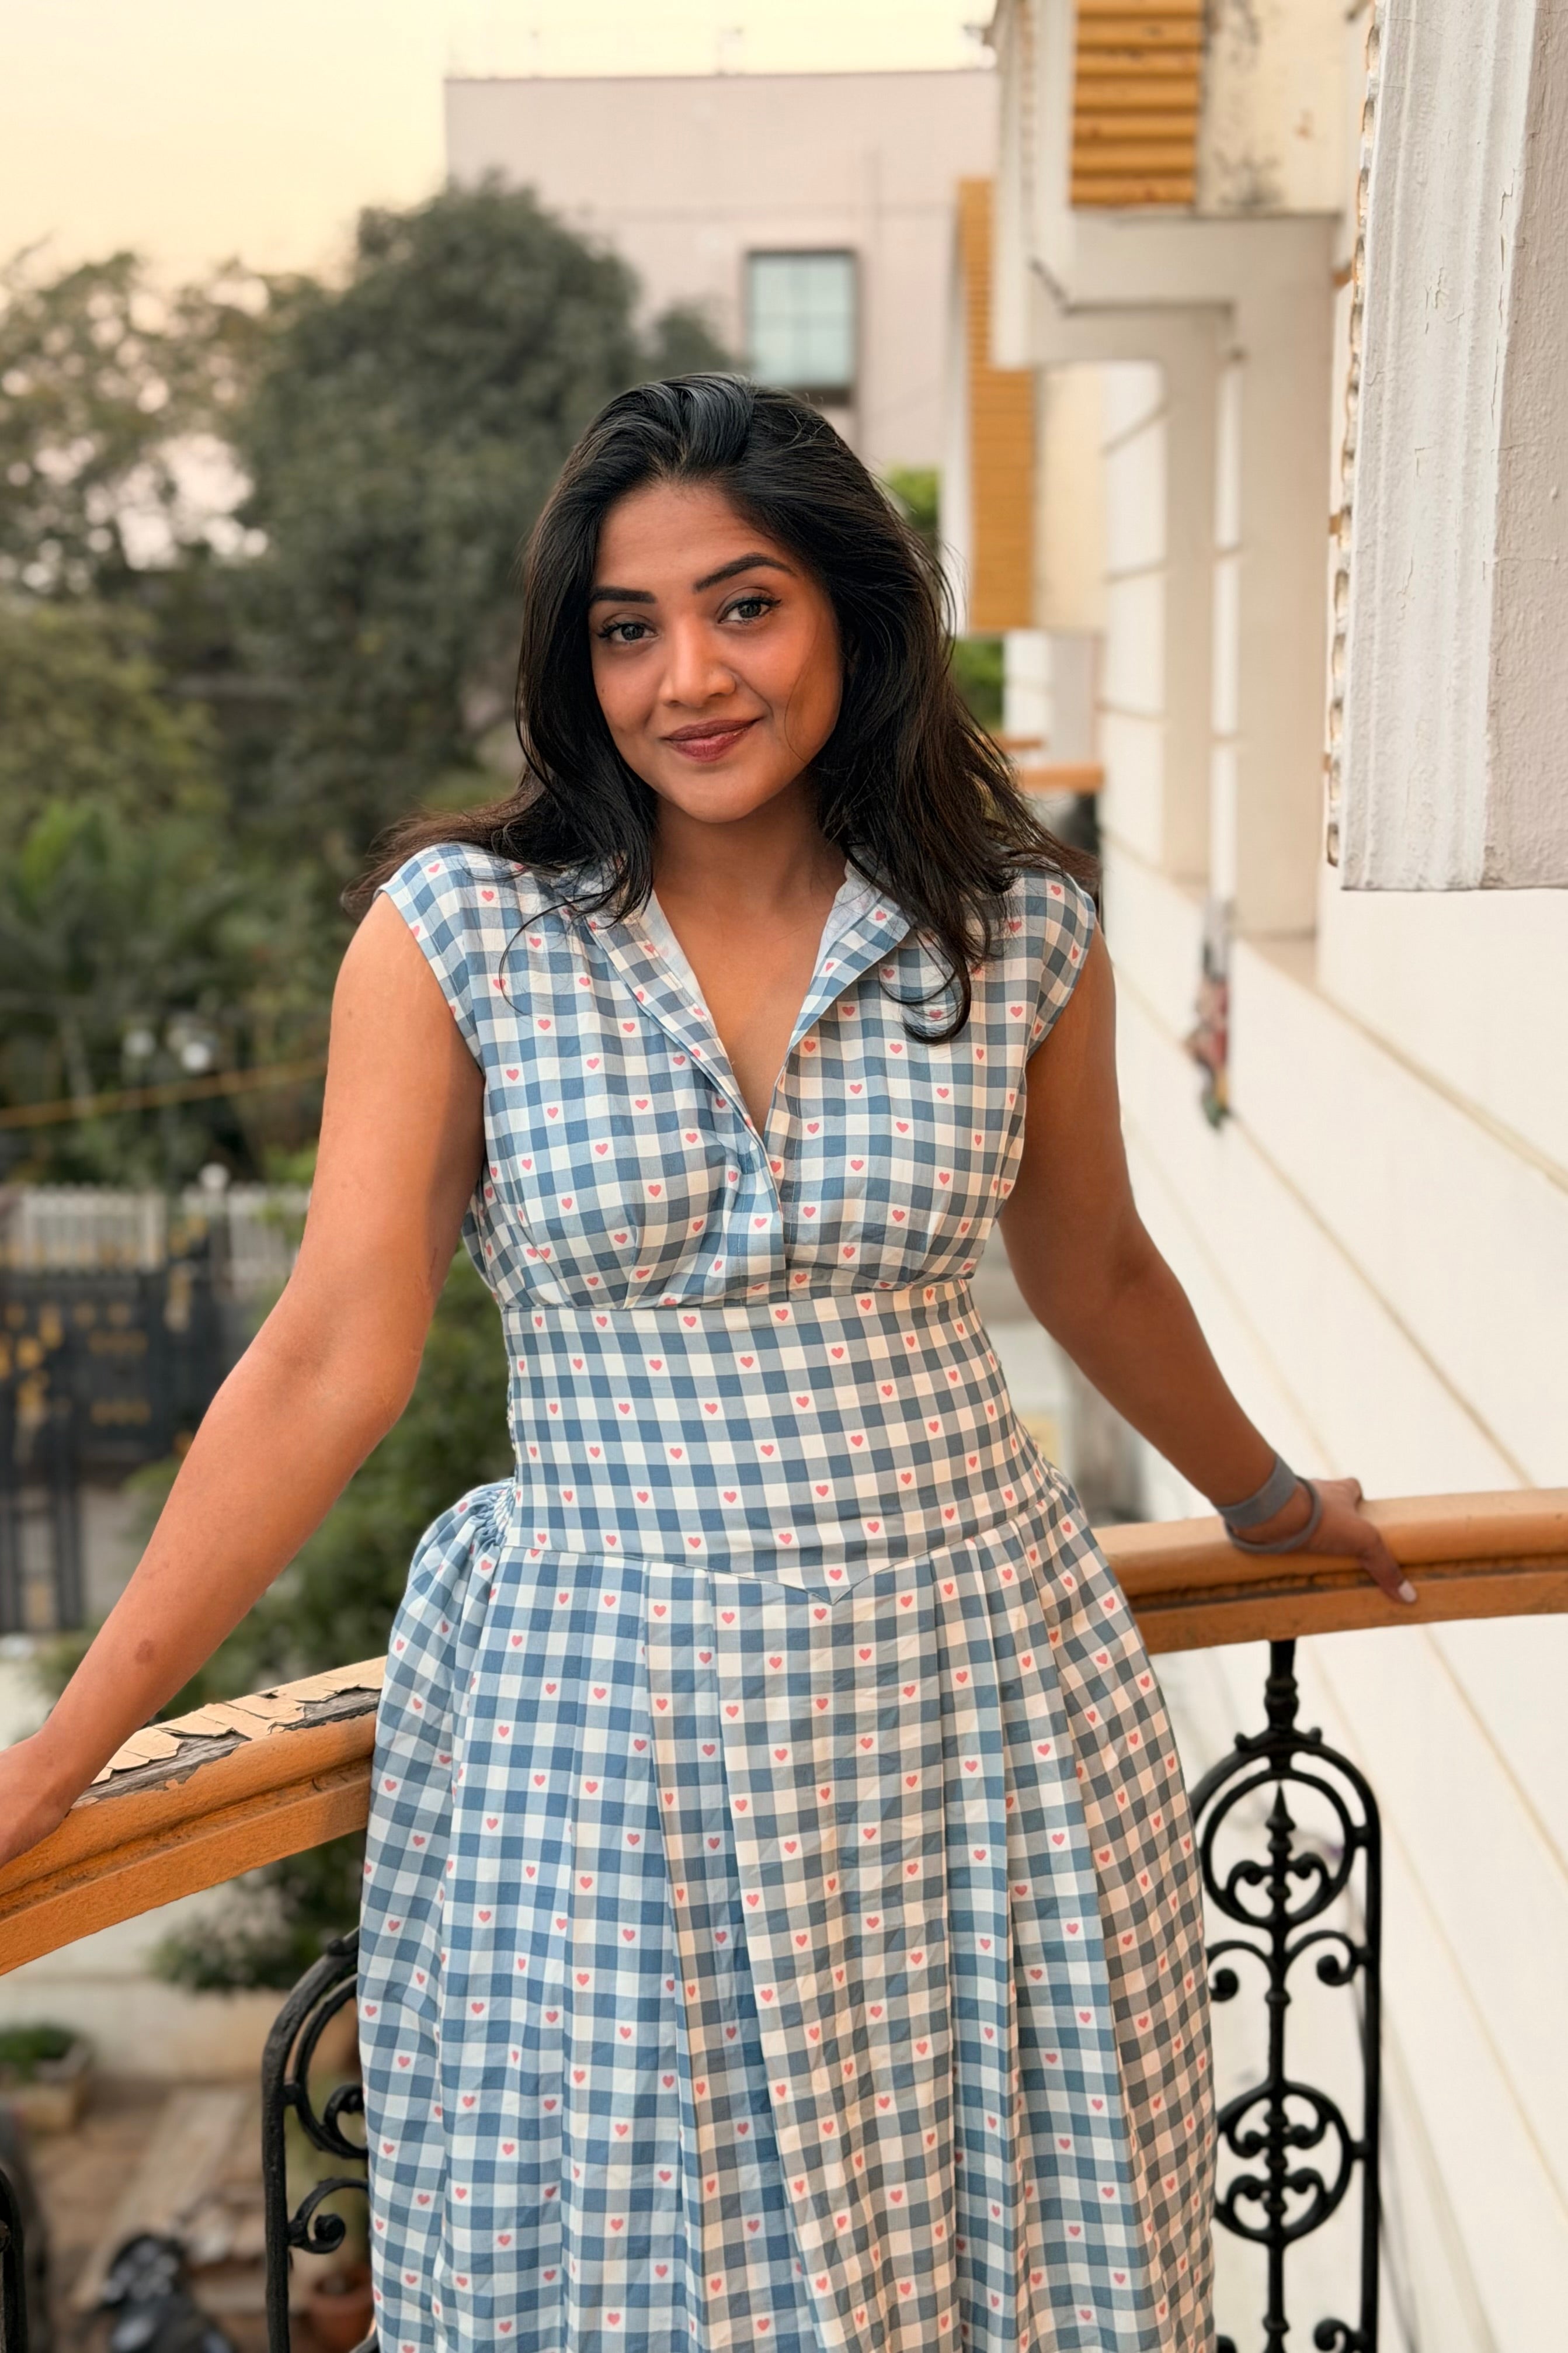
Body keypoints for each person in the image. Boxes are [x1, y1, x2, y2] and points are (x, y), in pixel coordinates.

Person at [0, 376, 1411, 2352]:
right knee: (640, 2271)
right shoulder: (462, 936)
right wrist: (61, 1756)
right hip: (611, 1728)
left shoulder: (1014, 935)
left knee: (993, 2255)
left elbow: (1094, 1271)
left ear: (851, 610)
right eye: (627, 625)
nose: (688, 676)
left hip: (974, 1689)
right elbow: (332, 1352)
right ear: (577, 663)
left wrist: (1270, 1504)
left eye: (744, 606)